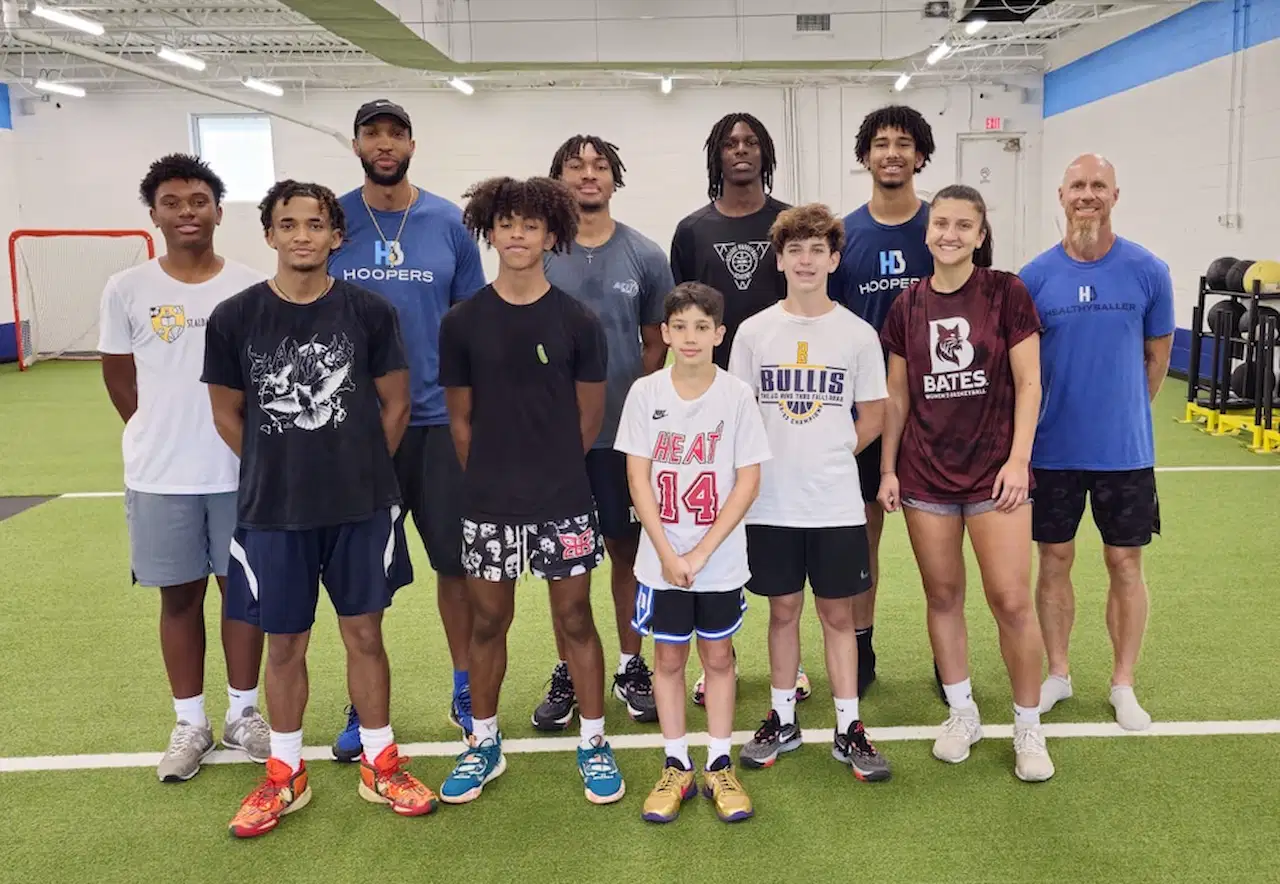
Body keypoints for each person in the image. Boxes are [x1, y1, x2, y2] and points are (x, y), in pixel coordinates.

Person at [205, 180, 437, 838]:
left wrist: (363, 469)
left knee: (366, 634)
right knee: (286, 643)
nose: (302, 235)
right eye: (288, 224)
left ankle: (379, 762)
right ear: (270, 234)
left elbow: (396, 403)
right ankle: (285, 774)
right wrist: (275, 470)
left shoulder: (368, 312)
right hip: (274, 510)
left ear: (337, 236)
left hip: (362, 506)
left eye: (315, 224)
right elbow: (228, 413)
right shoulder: (235, 318)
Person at [436, 175, 625, 807]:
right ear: (489, 230)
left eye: (532, 224)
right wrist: (494, 479)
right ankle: (483, 743)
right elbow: (460, 422)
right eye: (507, 223)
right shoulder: (462, 323)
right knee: (488, 621)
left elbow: (589, 419)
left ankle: (595, 741)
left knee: (575, 617)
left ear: (552, 234)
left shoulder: (578, 321)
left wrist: (552, 478)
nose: (518, 234)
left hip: (563, 502)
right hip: (489, 504)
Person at [98, 153, 269, 783]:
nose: (187, 212)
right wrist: (162, 433)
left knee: (242, 599)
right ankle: (190, 722)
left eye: (198, 200)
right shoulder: (127, 289)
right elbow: (120, 379)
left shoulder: (250, 287)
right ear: (154, 214)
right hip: (159, 477)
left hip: (237, 475)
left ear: (220, 211)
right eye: (172, 202)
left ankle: (244, 714)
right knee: (178, 600)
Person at [877, 185, 1054, 783]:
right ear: (927, 231)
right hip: (926, 476)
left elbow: (1029, 383)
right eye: (940, 223)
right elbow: (898, 396)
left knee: (1010, 599)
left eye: (963, 225)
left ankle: (1027, 725)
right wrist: (889, 468)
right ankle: (962, 713)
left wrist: (1018, 461)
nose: (949, 233)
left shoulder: (1007, 292)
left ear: (980, 235)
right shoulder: (905, 306)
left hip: (995, 475)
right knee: (943, 597)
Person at [327, 99, 487, 756]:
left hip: (438, 427)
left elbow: (472, 326)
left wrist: (474, 422)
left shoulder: (449, 222)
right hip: (360, 432)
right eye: (373, 132)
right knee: (362, 575)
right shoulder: (334, 222)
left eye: (395, 132)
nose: (384, 143)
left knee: (457, 567)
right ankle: (362, 706)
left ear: (412, 143)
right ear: (358, 143)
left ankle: (466, 686)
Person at [729, 203, 892, 782]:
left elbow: (873, 414)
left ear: (834, 258)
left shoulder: (856, 333)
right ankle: (782, 716)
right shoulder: (754, 332)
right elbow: (740, 412)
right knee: (782, 611)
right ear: (779, 259)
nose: (805, 259)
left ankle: (849, 726)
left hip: (834, 501)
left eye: (816, 249)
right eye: (794, 249)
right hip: (770, 500)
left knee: (836, 615)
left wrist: (831, 452)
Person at [1020, 154, 1174, 732]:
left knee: (1125, 564)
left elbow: (1156, 360)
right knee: (1053, 560)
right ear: (1061, 195)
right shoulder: (1034, 277)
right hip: (1052, 451)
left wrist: (1123, 413)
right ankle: (1057, 673)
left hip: (1125, 453)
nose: (1088, 195)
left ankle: (1123, 683)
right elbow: (1025, 367)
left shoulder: (1148, 270)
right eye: (1078, 186)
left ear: (1115, 194)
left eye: (1098, 186)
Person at [533, 134, 673, 730]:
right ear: (558, 179)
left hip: (621, 440)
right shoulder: (536, 253)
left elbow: (656, 341)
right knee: (565, 563)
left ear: (614, 179)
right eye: (575, 166)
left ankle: (629, 664)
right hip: (553, 442)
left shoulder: (645, 254)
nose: (588, 175)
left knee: (626, 552)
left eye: (599, 167)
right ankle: (569, 668)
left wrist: (630, 406)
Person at [617, 281, 770, 824]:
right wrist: (667, 553)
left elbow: (747, 481)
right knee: (667, 658)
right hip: (660, 560)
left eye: (702, 327)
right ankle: (676, 763)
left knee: (720, 658)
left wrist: (701, 553)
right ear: (664, 332)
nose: (689, 337)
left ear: (719, 334)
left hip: (718, 559)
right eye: (679, 326)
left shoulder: (736, 396)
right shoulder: (645, 394)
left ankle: (720, 763)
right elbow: (638, 480)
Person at [670, 111, 809, 705]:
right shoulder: (692, 230)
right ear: (716, 155)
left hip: (781, 397)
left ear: (766, 152)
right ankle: (716, 656)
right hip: (713, 401)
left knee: (776, 530)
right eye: (729, 143)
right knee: (718, 528)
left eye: (752, 142)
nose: (741, 151)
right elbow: (682, 313)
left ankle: (789, 663)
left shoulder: (788, 222)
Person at [831, 104, 938, 698]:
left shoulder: (941, 226)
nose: (891, 152)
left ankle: (947, 658)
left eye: (903, 143)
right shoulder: (846, 237)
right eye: (880, 143)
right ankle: (863, 646)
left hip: (938, 414)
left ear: (920, 155)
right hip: (867, 415)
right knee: (864, 536)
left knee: (938, 542)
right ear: (865, 156)